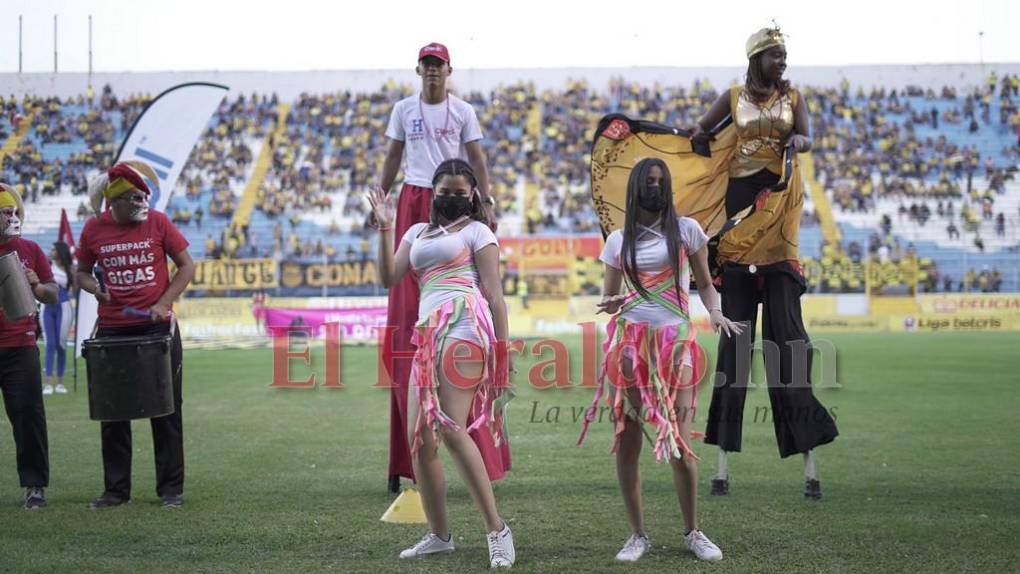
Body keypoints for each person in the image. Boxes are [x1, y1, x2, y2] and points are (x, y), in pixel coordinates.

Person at [688, 26, 839, 498]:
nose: (783, 63)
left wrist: (800, 143)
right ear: (756, 58)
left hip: (779, 211)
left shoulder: (795, 97)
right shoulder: (731, 96)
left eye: (786, 56)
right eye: (776, 56)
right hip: (738, 212)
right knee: (733, 351)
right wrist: (698, 142)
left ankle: (809, 458)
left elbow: (810, 138)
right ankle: (721, 464)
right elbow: (701, 130)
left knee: (788, 343)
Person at [578, 159, 742, 563]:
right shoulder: (617, 240)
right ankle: (637, 535)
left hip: (676, 345)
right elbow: (612, 299)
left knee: (680, 445)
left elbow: (704, 281)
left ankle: (693, 531)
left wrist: (716, 311)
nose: (654, 187)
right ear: (635, 188)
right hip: (631, 347)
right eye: (647, 181)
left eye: (660, 181)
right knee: (628, 443)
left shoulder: (687, 230)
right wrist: (613, 303)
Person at [368, 159, 515, 568]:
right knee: (421, 438)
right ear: (433, 192)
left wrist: (501, 357)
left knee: (450, 429)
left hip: (467, 326)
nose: (452, 198)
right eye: (444, 191)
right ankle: (439, 534)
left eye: (459, 191)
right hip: (428, 334)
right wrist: (384, 226)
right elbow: (388, 276)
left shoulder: (478, 231)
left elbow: (495, 296)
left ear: (472, 195)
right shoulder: (415, 232)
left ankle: (496, 529)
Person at [377, 42, 507, 494]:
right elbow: (393, 157)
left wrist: (486, 202)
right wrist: (381, 196)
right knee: (405, 319)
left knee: (472, 302)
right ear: (419, 69)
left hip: (455, 195)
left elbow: (478, 160)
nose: (433, 72)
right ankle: (407, 453)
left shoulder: (463, 111)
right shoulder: (403, 109)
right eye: (427, 66)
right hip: (416, 196)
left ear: (449, 70)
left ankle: (475, 440)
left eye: (439, 66)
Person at [75, 161, 196, 510]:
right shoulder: (94, 230)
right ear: (114, 201)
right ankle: (116, 491)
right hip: (113, 329)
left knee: (167, 410)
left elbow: (187, 265)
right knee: (114, 413)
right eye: (133, 197)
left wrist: (164, 303)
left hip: (157, 328)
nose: (142, 201)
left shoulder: (159, 222)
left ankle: (171, 490)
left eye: (143, 194)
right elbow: (81, 273)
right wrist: (94, 287)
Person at [0, 183, 58, 508]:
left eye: (14, 212)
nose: (13, 217)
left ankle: (35, 486)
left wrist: (37, 285)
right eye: (5, 213)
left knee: (28, 418)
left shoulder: (31, 249)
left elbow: (53, 293)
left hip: (21, 346)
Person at [41, 241, 74, 395]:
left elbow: (75, 289)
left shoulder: (70, 269)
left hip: (64, 307)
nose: (51, 251)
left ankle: (60, 383)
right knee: (50, 344)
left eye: (54, 249)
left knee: (61, 345)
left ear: (60, 252)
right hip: (47, 307)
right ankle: (47, 383)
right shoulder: (46, 265)